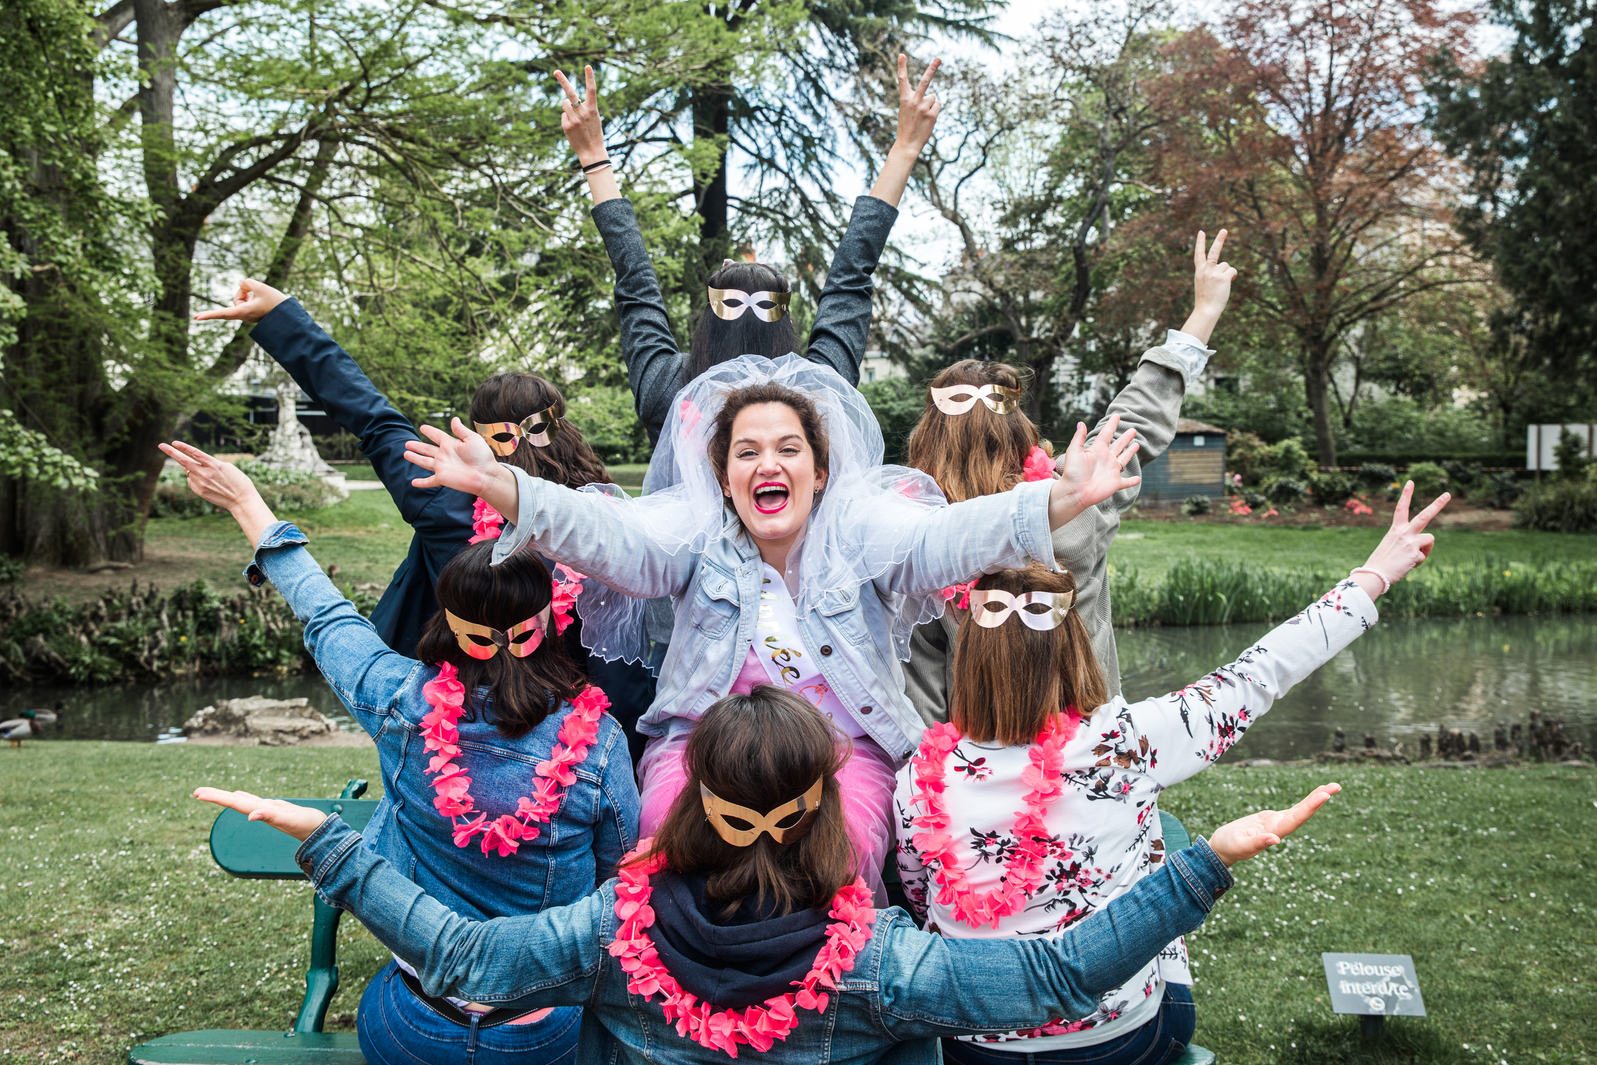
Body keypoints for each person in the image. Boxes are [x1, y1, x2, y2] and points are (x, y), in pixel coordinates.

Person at [196, 686, 1343, 1063]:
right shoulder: (879, 962)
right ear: (822, 817)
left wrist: (328, 840)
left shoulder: (616, 927)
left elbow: (459, 955)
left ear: (690, 802)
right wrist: (1203, 864)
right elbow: (1057, 978)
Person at [401, 354, 1143, 901]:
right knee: (665, 852)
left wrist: (1055, 502)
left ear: (819, 469)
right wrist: (499, 479)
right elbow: (604, 534)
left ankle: (836, 1021)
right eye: (747, 451)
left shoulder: (862, 527)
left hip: (840, 748)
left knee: (841, 862)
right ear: (723, 474)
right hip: (701, 740)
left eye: (788, 448)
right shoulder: (694, 533)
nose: (768, 462)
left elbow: (945, 539)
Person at [893, 483, 1449, 1065]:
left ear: (970, 658)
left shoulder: (918, 779)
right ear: (1071, 649)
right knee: (1157, 834)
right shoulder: (1127, 742)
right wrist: (1374, 575)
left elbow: (918, 896)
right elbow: (1256, 676)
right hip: (1115, 1040)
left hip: (971, 1043)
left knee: (1147, 832)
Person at [159, 439, 641, 1065]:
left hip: (413, 1021)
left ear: (446, 621)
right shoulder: (598, 744)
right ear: (547, 622)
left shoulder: (397, 700)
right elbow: (619, 871)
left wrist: (248, 502)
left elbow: (326, 616)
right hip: (544, 1031)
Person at [192, 283, 661, 762]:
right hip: (582, 740)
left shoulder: (440, 494)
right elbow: (623, 665)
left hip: (455, 731)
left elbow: (371, 417)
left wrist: (282, 317)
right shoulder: (603, 519)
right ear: (565, 432)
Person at [902, 231, 1237, 720]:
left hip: (975, 763)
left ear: (928, 436)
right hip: (1093, 753)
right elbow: (1137, 416)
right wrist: (1202, 314)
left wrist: (933, 780)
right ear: (1021, 429)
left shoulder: (917, 540)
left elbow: (922, 682)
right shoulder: (1080, 497)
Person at [554, 53, 942, 444]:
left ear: (709, 320)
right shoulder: (817, 389)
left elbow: (635, 284)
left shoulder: (666, 386)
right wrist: (904, 149)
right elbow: (850, 278)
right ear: (784, 322)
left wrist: (594, 157)